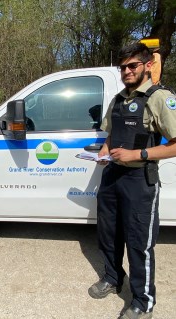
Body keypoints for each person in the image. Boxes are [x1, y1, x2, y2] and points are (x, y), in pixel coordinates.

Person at [88, 42, 176, 319]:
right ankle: (113, 279)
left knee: (139, 242)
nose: (126, 71)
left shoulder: (159, 98)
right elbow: (111, 136)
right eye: (122, 66)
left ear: (148, 65)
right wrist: (104, 153)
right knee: (109, 235)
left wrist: (138, 153)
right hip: (112, 176)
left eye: (132, 65)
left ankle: (143, 301)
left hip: (140, 179)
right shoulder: (117, 100)